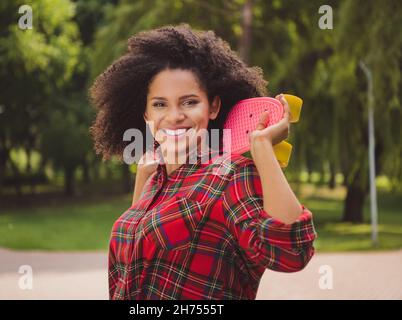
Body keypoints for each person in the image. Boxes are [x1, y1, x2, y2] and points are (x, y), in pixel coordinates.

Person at [89, 23, 317, 300]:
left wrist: (262, 147)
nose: (174, 116)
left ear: (213, 107)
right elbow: (135, 269)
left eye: (189, 102)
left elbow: (292, 253)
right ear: (146, 115)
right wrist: (143, 183)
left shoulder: (230, 175)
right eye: (160, 104)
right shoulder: (153, 181)